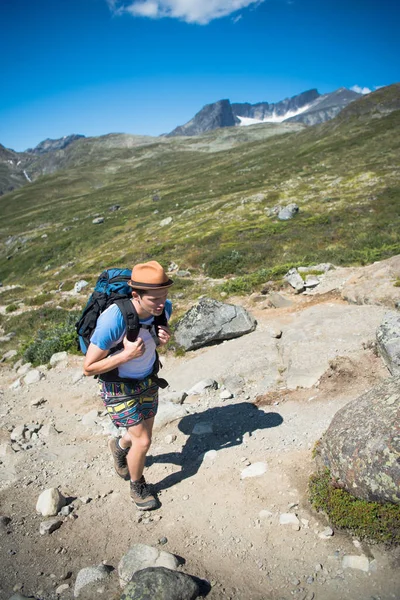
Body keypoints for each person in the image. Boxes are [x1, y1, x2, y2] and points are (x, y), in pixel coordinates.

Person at [83, 261, 173, 510]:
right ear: (136, 295)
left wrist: (160, 339)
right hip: (118, 387)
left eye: (164, 296)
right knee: (143, 442)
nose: (160, 303)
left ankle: (119, 447)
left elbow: (150, 340)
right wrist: (125, 356)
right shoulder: (114, 318)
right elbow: (88, 367)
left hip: (148, 381)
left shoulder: (163, 308)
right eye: (154, 298)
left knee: (141, 435)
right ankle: (137, 485)